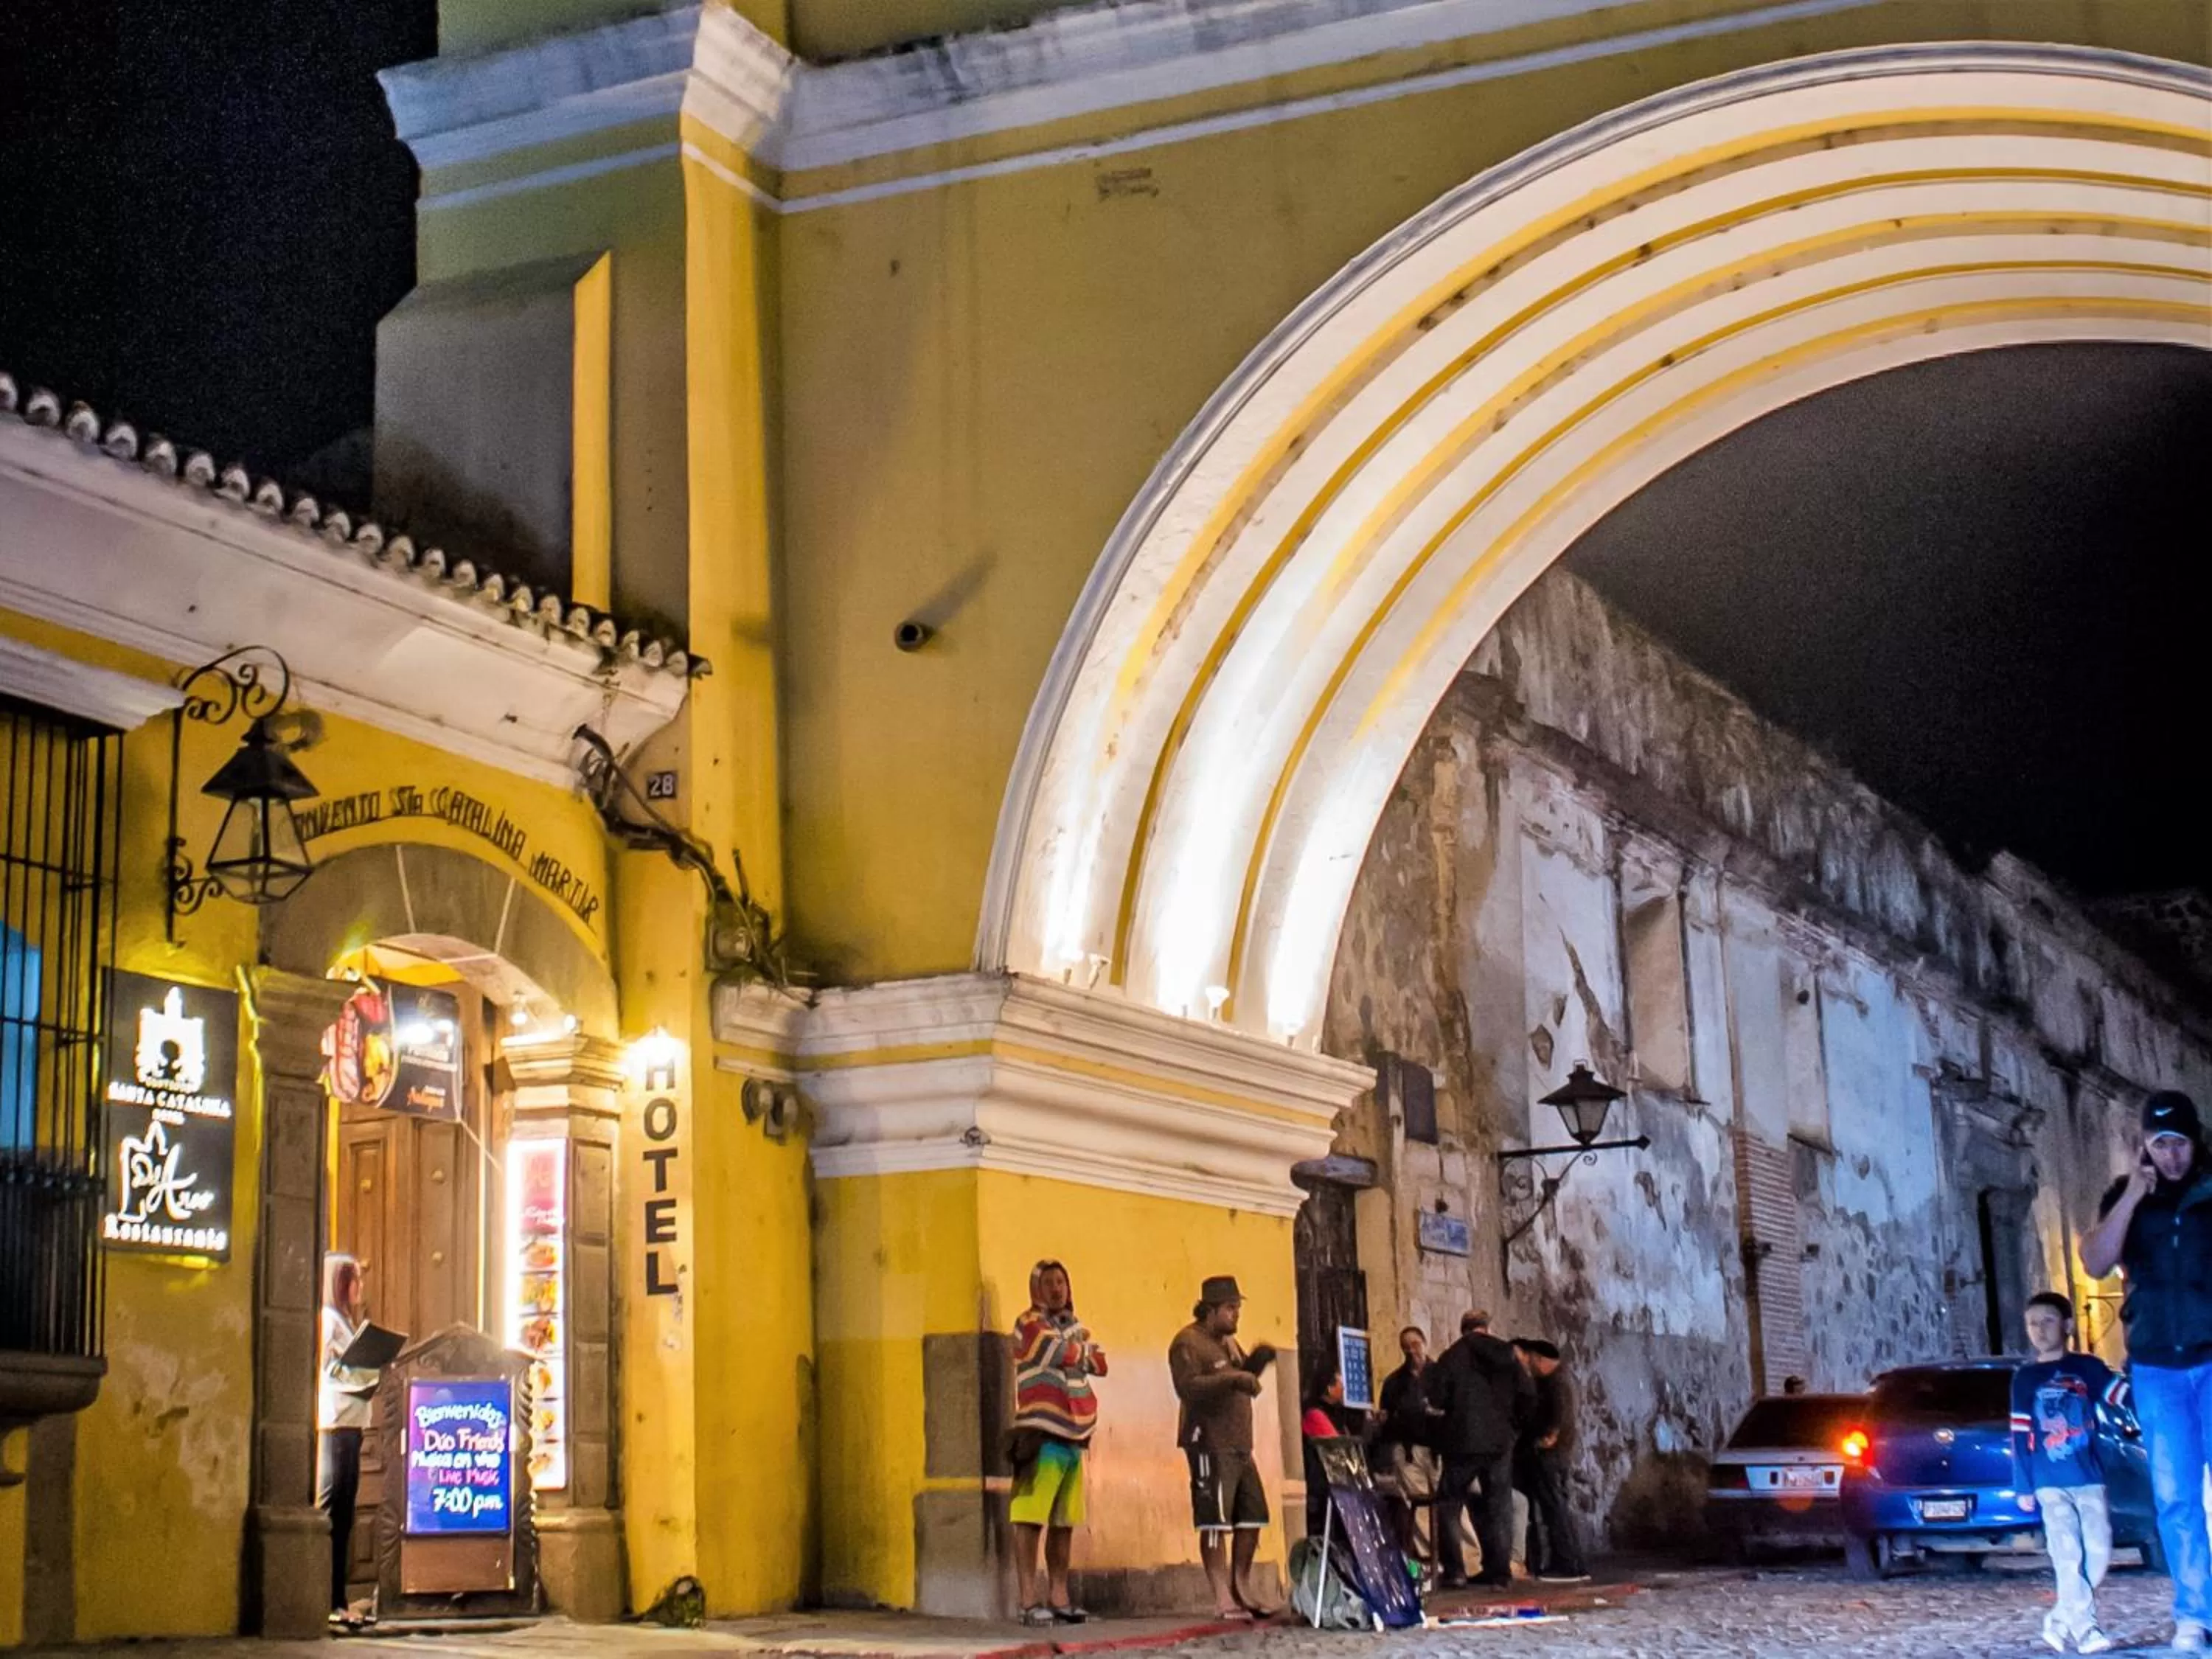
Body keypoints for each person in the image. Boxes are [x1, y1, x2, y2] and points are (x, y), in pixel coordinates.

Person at [2080, 1091, 2212, 1653]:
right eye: (2161, 1145)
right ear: (2145, 1148)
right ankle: (2195, 1614)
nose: (2172, 1156)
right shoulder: (2127, 1196)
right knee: (2175, 1495)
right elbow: (2094, 1261)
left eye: (2179, 1143)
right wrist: (2134, 1193)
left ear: (2195, 1141)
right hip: (2158, 1368)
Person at [2011, 1292, 2125, 1655]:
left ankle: (2059, 1621)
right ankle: (2086, 1628)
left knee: (2099, 1552)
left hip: (2089, 1476)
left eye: (2047, 1321)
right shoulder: (2025, 1379)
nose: (2039, 1330)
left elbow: (2121, 1395)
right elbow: (2018, 1434)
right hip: (2048, 1482)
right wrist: (2023, 1484)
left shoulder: (2088, 1368)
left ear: (2067, 1325)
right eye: (2032, 1323)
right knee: (2067, 1554)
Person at [1169, 1275, 1279, 1618]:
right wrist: (1233, 1377)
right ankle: (1221, 1597)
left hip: (1240, 1444)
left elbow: (1241, 1379)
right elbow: (1188, 1387)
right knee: (1213, 1520)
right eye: (1231, 1309)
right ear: (1210, 1310)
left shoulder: (1229, 1343)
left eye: (1238, 1309)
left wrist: (1256, 1364)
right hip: (1208, 1442)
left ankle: (1241, 1587)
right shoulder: (1187, 1342)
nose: (1236, 1315)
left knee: (1253, 1515)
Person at [1009, 1259, 1109, 1627]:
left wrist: (1079, 1352)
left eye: (1062, 1282)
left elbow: (1101, 1363)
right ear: (1037, 1288)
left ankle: (1060, 1596)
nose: (1057, 1288)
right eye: (1049, 1282)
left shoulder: (1072, 1327)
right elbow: (1055, 1352)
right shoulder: (1027, 1323)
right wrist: (1079, 1352)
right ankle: (1027, 1600)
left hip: (1073, 1434)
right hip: (1039, 1432)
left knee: (1065, 1520)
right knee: (1031, 1517)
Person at [1427, 1312, 1531, 1589]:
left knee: (1449, 1505)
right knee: (1499, 1506)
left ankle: (1456, 1571)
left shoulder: (1451, 1357)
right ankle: (1500, 1573)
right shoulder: (1508, 1356)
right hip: (1499, 1444)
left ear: (1463, 1330)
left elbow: (1437, 1398)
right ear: (1487, 1328)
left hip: (1462, 1443)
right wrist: (1513, 1429)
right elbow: (1528, 1395)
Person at [318, 1253, 380, 1624]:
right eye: (353, 1279)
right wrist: (366, 1371)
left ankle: (337, 1599)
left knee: (345, 1513)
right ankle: (329, 1599)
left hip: (352, 1424)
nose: (360, 1286)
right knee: (334, 1510)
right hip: (336, 1424)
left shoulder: (343, 1321)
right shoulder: (328, 1322)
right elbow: (334, 1370)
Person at [1512, 1339, 1589, 1583]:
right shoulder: (1556, 1382)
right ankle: (1569, 1562)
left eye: (1531, 1359)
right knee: (1556, 1508)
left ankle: (1566, 1564)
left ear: (1540, 1359)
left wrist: (1543, 1440)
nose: (1529, 1365)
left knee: (1554, 1508)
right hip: (1553, 1455)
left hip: (1550, 1457)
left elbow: (1556, 1420)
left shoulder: (1555, 1384)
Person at [1377, 1326, 1441, 1559]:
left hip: (1438, 1450)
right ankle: (1430, 1557)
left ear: (1424, 1343)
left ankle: (1465, 1559)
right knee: (1420, 1507)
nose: (1411, 1351)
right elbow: (1386, 1414)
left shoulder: (1440, 1375)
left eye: (1415, 1344)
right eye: (1406, 1347)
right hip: (1408, 1452)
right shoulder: (1395, 1382)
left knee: (1449, 1505)